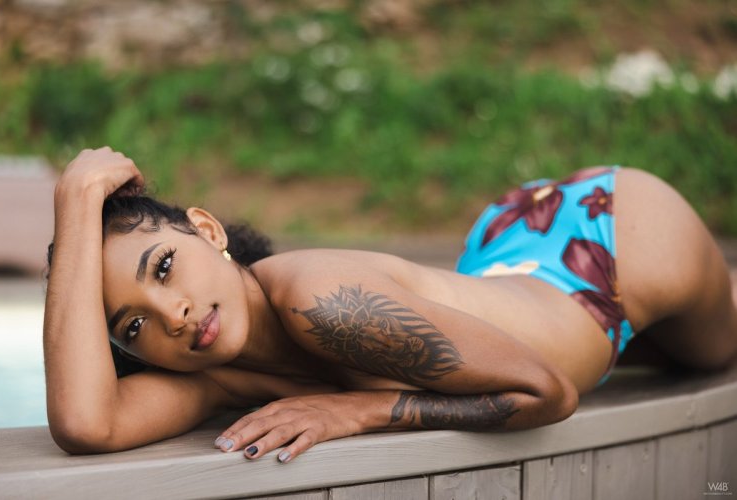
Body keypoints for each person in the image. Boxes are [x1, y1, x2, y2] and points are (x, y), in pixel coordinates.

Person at [44, 147, 737, 463]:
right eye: (133, 325)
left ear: (208, 230)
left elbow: (547, 391)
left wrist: (354, 411)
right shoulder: (212, 377)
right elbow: (85, 424)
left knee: (718, 354)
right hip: (504, 260)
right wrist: (74, 204)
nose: (173, 315)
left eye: (164, 267)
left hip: (612, 245)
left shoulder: (320, 302)